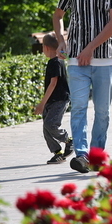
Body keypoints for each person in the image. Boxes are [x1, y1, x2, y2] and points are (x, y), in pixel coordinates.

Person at [53, 0, 112, 173]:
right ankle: (82, 156)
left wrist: (90, 48)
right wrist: (62, 41)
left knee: (102, 112)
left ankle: (96, 155)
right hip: (76, 60)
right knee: (79, 109)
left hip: (105, 60)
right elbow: (58, 16)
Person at [34, 33, 73, 164]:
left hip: (60, 100)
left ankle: (69, 141)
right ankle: (58, 153)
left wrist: (42, 103)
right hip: (53, 100)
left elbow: (53, 83)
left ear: (45, 48)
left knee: (51, 124)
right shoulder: (58, 60)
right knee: (46, 127)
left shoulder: (55, 62)